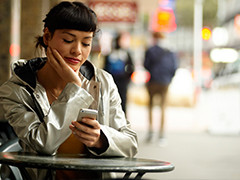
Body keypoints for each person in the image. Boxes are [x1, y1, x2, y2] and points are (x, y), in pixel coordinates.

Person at [0, 1, 138, 179]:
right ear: (47, 37)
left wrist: (100, 139)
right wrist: (74, 87)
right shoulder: (16, 90)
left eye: (86, 43)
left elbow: (131, 143)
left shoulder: (102, 82)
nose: (77, 51)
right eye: (68, 40)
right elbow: (44, 144)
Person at [144, 31, 178, 145]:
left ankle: (150, 131)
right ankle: (162, 134)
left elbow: (146, 65)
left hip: (153, 81)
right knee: (163, 107)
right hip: (165, 82)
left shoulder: (150, 50)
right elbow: (174, 67)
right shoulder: (170, 50)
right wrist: (169, 78)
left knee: (151, 106)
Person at [104, 32, 134, 113]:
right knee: (116, 100)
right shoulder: (124, 53)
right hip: (118, 81)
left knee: (121, 100)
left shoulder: (111, 53)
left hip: (120, 81)